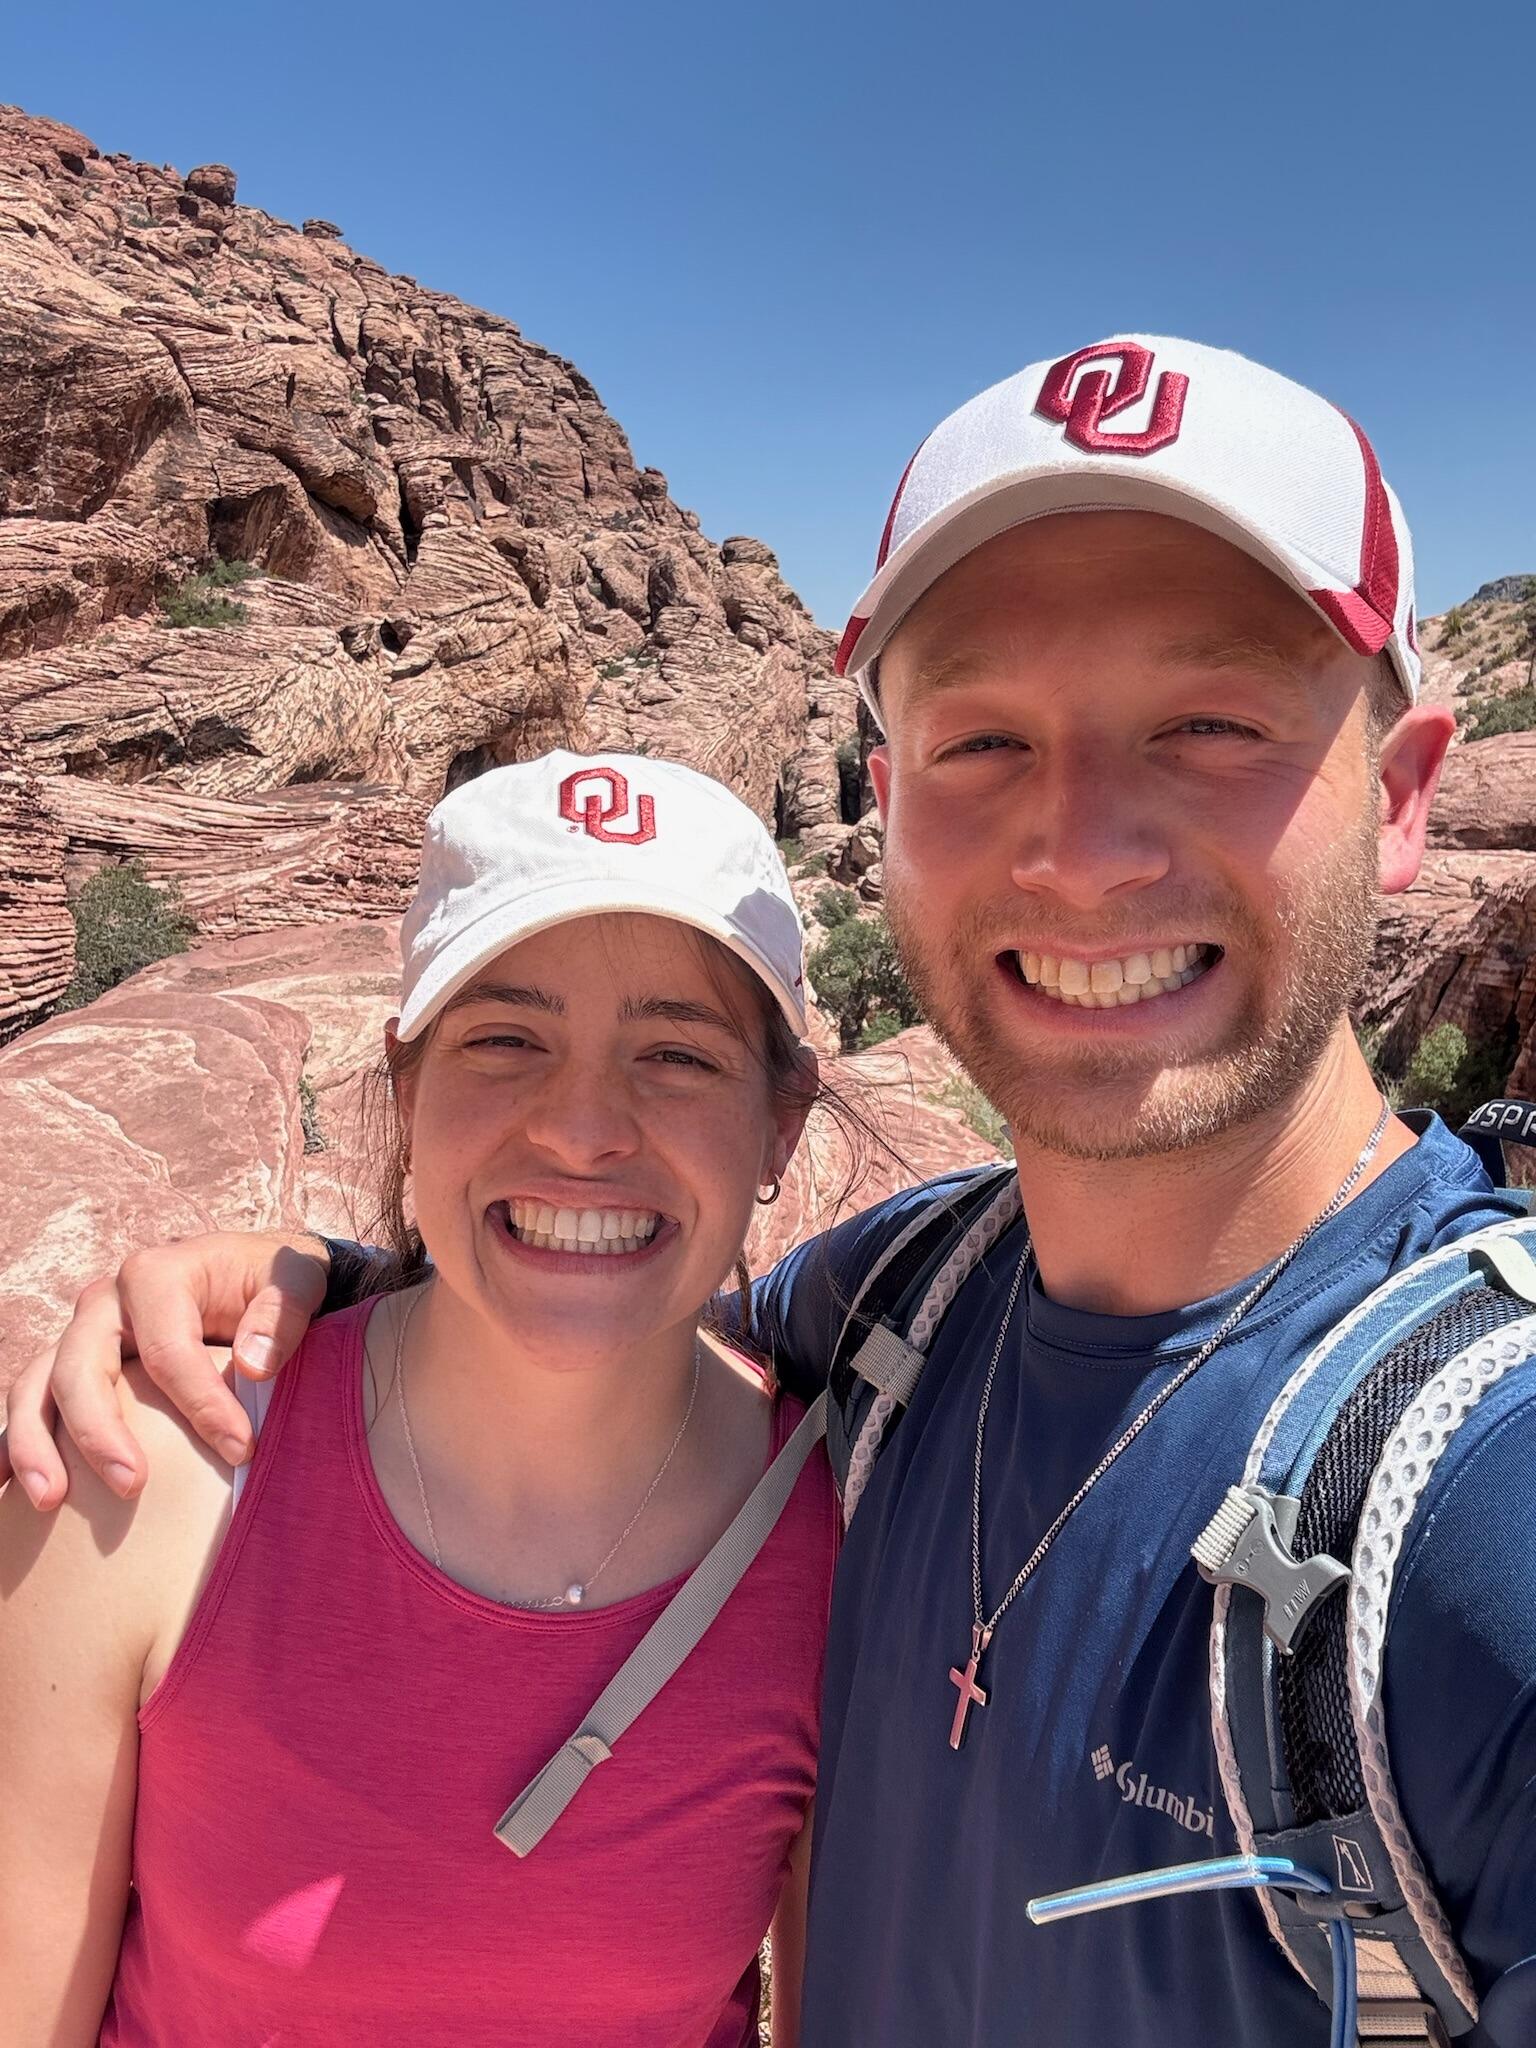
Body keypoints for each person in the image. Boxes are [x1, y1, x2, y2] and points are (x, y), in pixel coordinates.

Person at [8, 335, 1536, 2046]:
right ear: (888, 811)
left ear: (1404, 791)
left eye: (1209, 723)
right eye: (982, 740)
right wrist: (314, 1280)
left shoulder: (1483, 1488)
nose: (1083, 842)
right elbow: (577, 1331)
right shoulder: (894, 1312)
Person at [0, 749, 843, 2047]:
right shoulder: (141, 1481)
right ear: (408, 1082)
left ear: (784, 1123)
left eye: (675, 1053)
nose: (581, 1126)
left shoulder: (840, 1551)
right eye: (506, 1038)